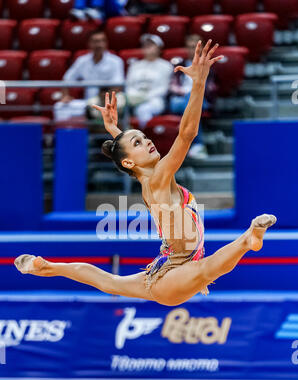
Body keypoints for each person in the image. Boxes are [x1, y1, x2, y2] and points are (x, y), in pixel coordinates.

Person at [14, 40, 276, 307]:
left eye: (144, 137)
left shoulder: (148, 176)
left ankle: (45, 266)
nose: (148, 141)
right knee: (205, 270)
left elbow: (127, 155)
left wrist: (116, 132)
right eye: (138, 143)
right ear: (129, 162)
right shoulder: (160, 176)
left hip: (166, 266)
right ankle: (248, 239)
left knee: (110, 282)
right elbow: (187, 134)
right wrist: (198, 83)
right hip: (174, 275)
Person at [53, 28, 125, 122]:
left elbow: (117, 87)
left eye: (102, 41)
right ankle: (66, 136)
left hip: (106, 102)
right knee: (60, 107)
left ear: (106, 43)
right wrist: (65, 96)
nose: (99, 44)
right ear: (89, 44)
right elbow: (67, 79)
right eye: (95, 41)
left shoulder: (115, 61)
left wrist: (104, 98)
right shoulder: (82, 61)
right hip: (87, 103)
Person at [169, 34, 218, 160]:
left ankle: (189, 137)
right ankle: (198, 145)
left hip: (202, 100)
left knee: (192, 102)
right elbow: (173, 87)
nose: (193, 50)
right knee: (187, 103)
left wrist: (193, 94)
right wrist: (186, 93)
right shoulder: (179, 64)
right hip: (180, 99)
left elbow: (209, 89)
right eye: (190, 47)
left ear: (202, 48)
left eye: (196, 47)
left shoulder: (208, 66)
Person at [126, 34, 173, 128]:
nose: (147, 47)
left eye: (151, 44)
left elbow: (164, 88)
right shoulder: (135, 65)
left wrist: (145, 97)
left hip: (155, 99)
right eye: (145, 45)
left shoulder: (166, 66)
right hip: (134, 98)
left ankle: (145, 137)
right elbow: (128, 85)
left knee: (143, 109)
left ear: (159, 48)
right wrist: (134, 96)